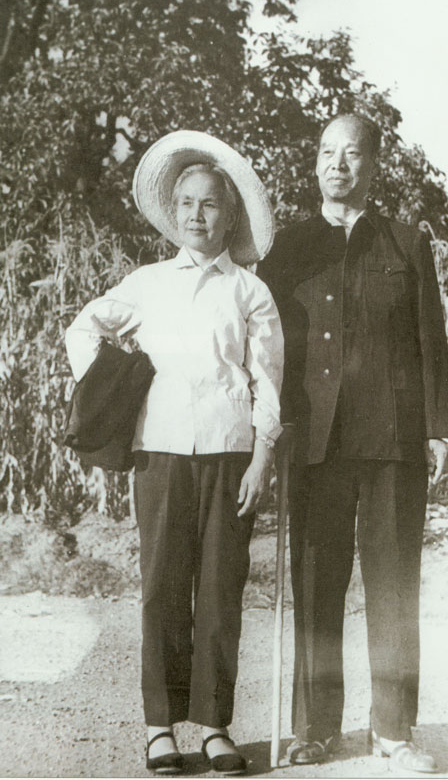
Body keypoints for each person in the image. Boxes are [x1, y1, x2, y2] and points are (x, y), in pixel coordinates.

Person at [66, 131, 284, 775]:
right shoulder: (147, 283)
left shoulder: (250, 291)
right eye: (186, 203)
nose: (196, 214)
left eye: (210, 204)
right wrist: (111, 390)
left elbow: (268, 381)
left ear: (230, 215)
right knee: (162, 587)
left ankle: (214, 726)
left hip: (229, 454)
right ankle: (160, 727)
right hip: (157, 455)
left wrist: (263, 457)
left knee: (220, 589)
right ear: (173, 211)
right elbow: (84, 326)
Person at [258, 113, 448, 773]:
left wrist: (442, 425)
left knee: (394, 585)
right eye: (326, 152)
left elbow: (431, 338)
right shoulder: (288, 246)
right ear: (316, 162)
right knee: (317, 584)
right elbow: (267, 345)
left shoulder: (406, 242)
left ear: (374, 164)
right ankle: (315, 728)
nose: (337, 165)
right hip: (314, 439)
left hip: (393, 439)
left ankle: (394, 730)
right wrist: (270, 424)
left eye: (350, 154)